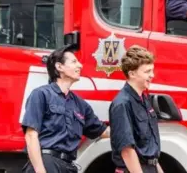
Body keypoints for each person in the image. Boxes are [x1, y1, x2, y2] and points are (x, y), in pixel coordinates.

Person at [21, 44, 110, 173]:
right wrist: (40, 171)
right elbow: (31, 135)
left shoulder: (80, 105)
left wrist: (132, 133)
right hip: (47, 163)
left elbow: (102, 131)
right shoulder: (41, 94)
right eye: (74, 62)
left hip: (68, 166)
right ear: (59, 67)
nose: (80, 65)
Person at [109, 45, 164, 173]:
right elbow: (127, 151)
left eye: (152, 70)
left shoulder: (144, 100)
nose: (152, 75)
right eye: (147, 72)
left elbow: (149, 148)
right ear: (132, 73)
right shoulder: (122, 104)